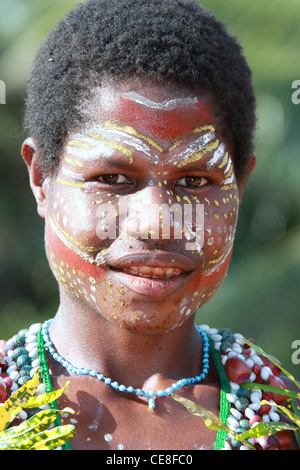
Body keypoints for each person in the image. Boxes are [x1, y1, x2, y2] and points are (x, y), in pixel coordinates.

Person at [0, 0, 298, 451]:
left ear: (240, 186)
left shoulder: (279, 412)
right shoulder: (9, 402)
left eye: (195, 180)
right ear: (41, 178)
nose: (157, 222)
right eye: (112, 179)